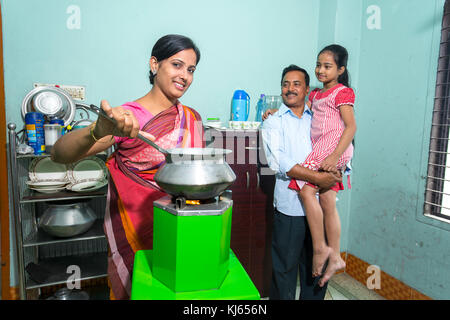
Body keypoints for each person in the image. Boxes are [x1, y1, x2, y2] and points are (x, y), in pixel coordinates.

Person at [51, 34, 204, 300]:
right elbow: (59, 154)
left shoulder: (191, 118)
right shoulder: (128, 118)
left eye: (191, 70)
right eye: (177, 65)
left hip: (181, 228)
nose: (185, 76)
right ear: (154, 64)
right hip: (135, 228)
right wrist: (97, 130)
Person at [261, 64, 342, 300]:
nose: (290, 89)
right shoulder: (273, 121)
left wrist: (334, 172)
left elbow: (339, 142)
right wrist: (317, 177)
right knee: (283, 271)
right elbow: (278, 161)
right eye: (285, 84)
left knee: (316, 272)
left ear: (307, 89)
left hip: (321, 206)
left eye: (296, 84)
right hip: (290, 208)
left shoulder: (321, 118)